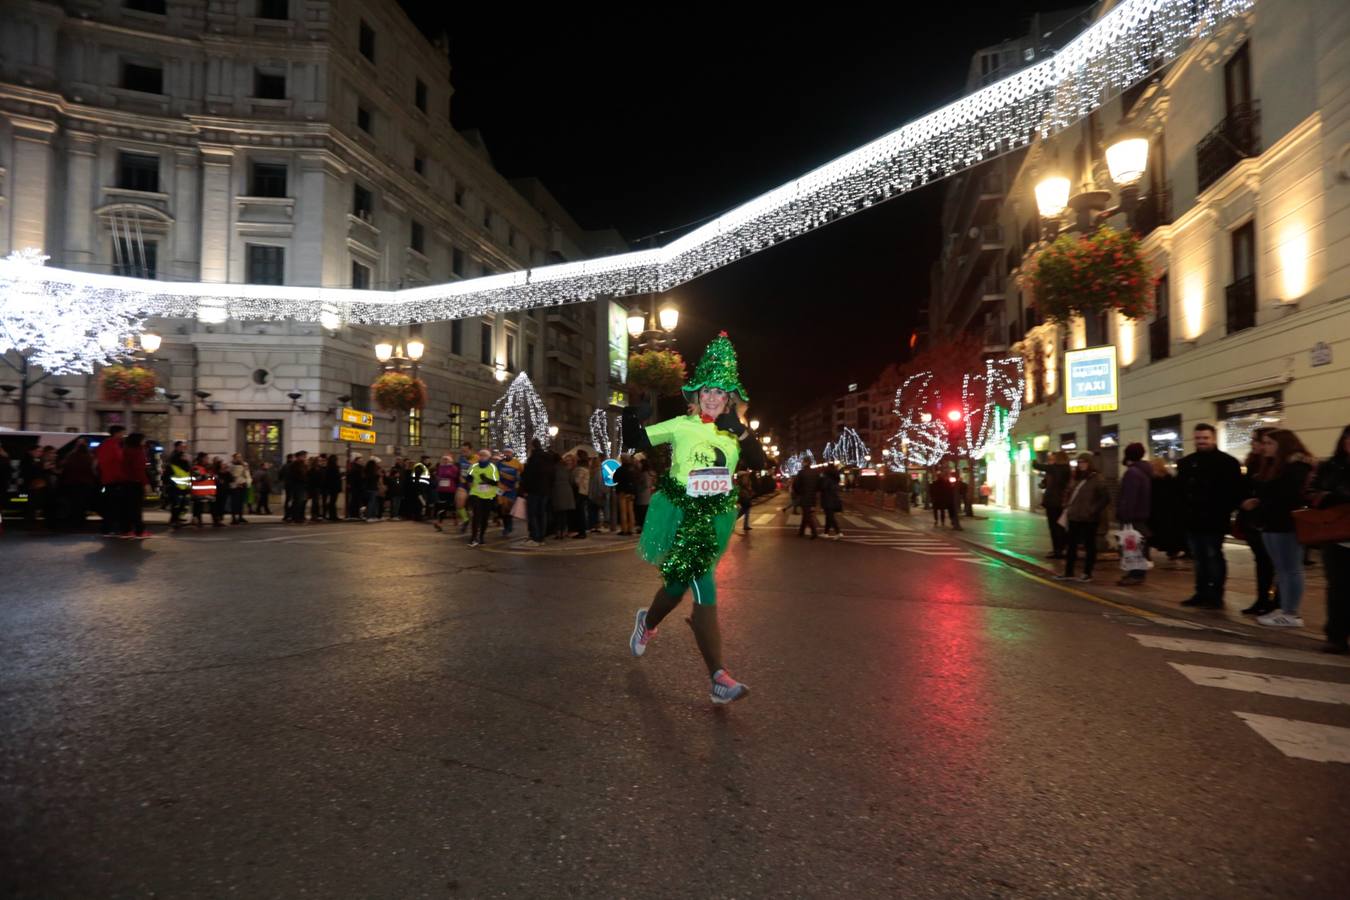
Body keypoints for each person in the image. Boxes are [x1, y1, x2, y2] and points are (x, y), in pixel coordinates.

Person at [623, 333, 765, 704]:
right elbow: (634, 442)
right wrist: (630, 414)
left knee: (679, 584)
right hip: (680, 510)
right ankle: (718, 676)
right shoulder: (681, 425)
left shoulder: (735, 432)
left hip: (715, 514)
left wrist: (744, 434)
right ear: (697, 395)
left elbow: (760, 464)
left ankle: (648, 623)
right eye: (706, 391)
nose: (713, 397)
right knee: (698, 582)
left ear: (730, 398)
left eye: (720, 392)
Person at [1241, 429, 1315, 628]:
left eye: (1269, 443)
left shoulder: (1296, 466)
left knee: (1291, 569)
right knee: (1282, 570)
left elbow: (1287, 497)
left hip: (1285, 524)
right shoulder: (1275, 465)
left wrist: (1262, 502)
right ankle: (1284, 608)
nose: (1264, 447)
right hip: (1271, 523)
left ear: (1282, 445)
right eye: (1263, 443)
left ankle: (1291, 612)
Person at [1176, 423, 1243, 608]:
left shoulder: (1227, 462)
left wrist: (1224, 511)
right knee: (1199, 558)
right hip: (1193, 519)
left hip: (1214, 520)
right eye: (1198, 438)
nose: (1201, 441)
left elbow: (1234, 492)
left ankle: (1215, 594)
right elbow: (1180, 491)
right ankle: (1201, 592)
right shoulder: (1187, 462)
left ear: (1213, 438)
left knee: (1213, 556)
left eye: (1205, 438)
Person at [1309, 425, 1350, 653]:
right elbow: (1311, 492)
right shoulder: (1329, 467)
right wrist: (1330, 497)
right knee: (1338, 588)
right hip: (1336, 536)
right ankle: (1336, 636)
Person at [1237, 427, 1280, 615]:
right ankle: (1262, 599)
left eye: (1258, 440)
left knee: (1274, 564)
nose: (1253, 444)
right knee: (1262, 563)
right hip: (1253, 521)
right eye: (1253, 440)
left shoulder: (1275, 465)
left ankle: (1274, 601)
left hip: (1267, 521)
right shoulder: (1254, 463)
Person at [1056, 453, 1110, 583]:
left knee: (1090, 545)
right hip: (1075, 517)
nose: (1081, 465)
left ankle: (1087, 573)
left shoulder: (1097, 479)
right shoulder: (1077, 478)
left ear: (1089, 463)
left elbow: (1105, 498)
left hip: (1089, 518)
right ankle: (1069, 572)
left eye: (1084, 462)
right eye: (1079, 462)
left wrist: (1093, 510)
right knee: (1071, 545)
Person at [1115, 442, 1152, 585]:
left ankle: (1136, 575)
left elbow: (1129, 497)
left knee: (1133, 546)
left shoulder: (1132, 473)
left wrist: (1124, 515)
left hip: (1132, 516)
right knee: (1135, 545)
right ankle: (1135, 573)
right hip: (1140, 514)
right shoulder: (1144, 471)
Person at [1034, 451, 1072, 558]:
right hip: (1061, 502)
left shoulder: (1055, 468)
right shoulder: (1067, 469)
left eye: (1053, 458)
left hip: (1053, 503)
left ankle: (1057, 551)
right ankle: (1061, 549)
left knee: (1054, 527)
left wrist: (1033, 456)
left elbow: (1037, 466)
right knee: (1061, 527)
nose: (1052, 461)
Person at [1147, 458, 1186, 561]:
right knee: (1168, 532)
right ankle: (1172, 550)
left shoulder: (1152, 480)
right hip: (1168, 511)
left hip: (1157, 510)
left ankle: (1167, 550)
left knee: (1153, 531)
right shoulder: (1170, 478)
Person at [520, 440, 556, 546]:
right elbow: (552, 475)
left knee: (533, 514)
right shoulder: (548, 458)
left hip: (533, 490)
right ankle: (541, 538)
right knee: (542, 513)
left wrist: (525, 489)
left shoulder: (533, 459)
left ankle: (535, 537)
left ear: (532, 447)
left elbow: (527, 476)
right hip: (545, 491)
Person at [95, 425, 127, 536]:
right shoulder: (112, 445)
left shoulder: (107, 445)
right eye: (122, 433)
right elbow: (118, 461)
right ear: (116, 433)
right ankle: (109, 527)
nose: (123, 435)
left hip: (109, 479)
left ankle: (108, 527)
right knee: (113, 505)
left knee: (111, 505)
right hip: (113, 479)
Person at [119, 433, 152, 538]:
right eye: (143, 439)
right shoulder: (138, 452)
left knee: (127, 508)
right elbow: (139, 470)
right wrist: (146, 483)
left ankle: (127, 530)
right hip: (135, 483)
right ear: (138, 440)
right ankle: (140, 531)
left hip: (125, 482)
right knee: (136, 508)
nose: (144, 441)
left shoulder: (125, 450)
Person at [464, 448, 499, 547]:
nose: (482, 457)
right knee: (476, 516)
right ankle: (473, 537)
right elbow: (468, 479)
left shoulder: (492, 467)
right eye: (481, 455)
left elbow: (495, 482)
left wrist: (486, 479)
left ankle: (482, 536)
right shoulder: (474, 466)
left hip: (488, 496)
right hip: (476, 494)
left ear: (488, 457)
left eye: (485, 456)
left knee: (484, 518)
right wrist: (470, 487)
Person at [59, 439, 97, 528]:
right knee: (82, 504)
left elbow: (64, 466)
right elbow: (93, 470)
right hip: (86, 484)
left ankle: (74, 521)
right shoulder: (90, 457)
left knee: (74, 504)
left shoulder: (71, 456)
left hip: (72, 484)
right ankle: (81, 521)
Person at [550, 453, 576, 540]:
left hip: (557, 491)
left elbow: (551, 480)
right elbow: (572, 480)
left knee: (558, 514)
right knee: (564, 514)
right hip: (567, 492)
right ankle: (563, 531)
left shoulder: (553, 469)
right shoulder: (566, 468)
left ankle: (558, 532)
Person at [165, 442, 191, 527]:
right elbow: (169, 473)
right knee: (176, 504)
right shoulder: (174, 459)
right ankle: (174, 520)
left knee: (182, 504)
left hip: (183, 485)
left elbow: (187, 471)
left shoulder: (183, 461)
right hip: (175, 486)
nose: (183, 448)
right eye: (181, 446)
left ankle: (177, 519)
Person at [433, 454, 459, 531]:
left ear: (450, 460)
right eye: (443, 459)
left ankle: (454, 519)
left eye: (446, 459)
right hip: (441, 489)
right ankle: (439, 522)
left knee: (450, 505)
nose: (444, 461)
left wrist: (448, 475)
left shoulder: (453, 468)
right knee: (442, 505)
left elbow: (456, 477)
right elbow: (438, 476)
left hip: (450, 489)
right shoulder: (440, 467)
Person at [497, 449, 520, 537]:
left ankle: (508, 527)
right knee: (501, 509)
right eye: (505, 452)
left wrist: (516, 480)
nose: (507, 454)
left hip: (511, 489)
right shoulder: (499, 463)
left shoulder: (517, 463)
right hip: (500, 489)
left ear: (512, 454)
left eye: (508, 453)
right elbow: (496, 475)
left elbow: (520, 475)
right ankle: (506, 526)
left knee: (508, 509)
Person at [794, 463, 820, 538]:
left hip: (804, 496)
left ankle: (814, 532)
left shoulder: (801, 473)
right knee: (806, 514)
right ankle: (801, 531)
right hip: (813, 496)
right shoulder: (815, 473)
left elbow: (796, 485)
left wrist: (799, 493)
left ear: (804, 463)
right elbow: (819, 485)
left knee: (807, 514)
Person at [571, 449, 591, 539]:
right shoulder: (586, 467)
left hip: (579, 491)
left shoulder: (580, 469)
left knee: (580, 512)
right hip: (584, 491)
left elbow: (577, 481)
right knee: (581, 511)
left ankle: (581, 532)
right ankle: (582, 531)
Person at [189, 452, 213, 528]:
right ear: (202, 458)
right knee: (197, 507)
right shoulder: (196, 467)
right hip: (197, 491)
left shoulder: (206, 467)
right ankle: (196, 520)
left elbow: (211, 478)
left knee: (200, 507)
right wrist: (206, 476)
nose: (208, 460)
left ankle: (197, 520)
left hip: (204, 491)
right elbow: (197, 478)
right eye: (206, 458)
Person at [285, 451, 309, 524]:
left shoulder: (303, 465)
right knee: (297, 502)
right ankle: (295, 517)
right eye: (303, 456)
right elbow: (295, 476)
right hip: (297, 486)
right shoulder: (294, 465)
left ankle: (300, 517)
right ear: (298, 457)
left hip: (302, 486)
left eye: (305, 456)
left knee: (301, 502)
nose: (305, 458)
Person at [820, 464, 843, 539]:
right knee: (828, 516)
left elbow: (823, 487)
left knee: (830, 517)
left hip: (828, 499)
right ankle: (826, 533)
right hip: (834, 499)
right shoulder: (835, 479)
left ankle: (838, 532)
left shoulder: (827, 478)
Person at [228, 452, 251, 524]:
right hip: (235, 486)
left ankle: (240, 517)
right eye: (237, 457)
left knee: (241, 502)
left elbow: (247, 474)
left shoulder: (244, 464)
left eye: (240, 457)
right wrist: (236, 484)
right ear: (234, 458)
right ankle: (234, 517)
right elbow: (232, 476)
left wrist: (247, 483)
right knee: (234, 502)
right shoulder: (231, 465)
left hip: (242, 484)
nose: (239, 458)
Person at [634, 458, 652, 531]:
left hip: (643, 496)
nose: (638, 465)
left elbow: (647, 484)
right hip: (644, 496)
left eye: (640, 463)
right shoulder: (645, 473)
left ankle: (642, 527)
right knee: (642, 512)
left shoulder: (644, 474)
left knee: (642, 512)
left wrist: (639, 487)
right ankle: (642, 527)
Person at [346, 454, 365, 519]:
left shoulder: (360, 468)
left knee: (357, 501)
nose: (361, 461)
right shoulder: (355, 468)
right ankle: (353, 514)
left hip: (359, 487)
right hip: (356, 487)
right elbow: (353, 478)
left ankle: (356, 514)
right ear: (356, 461)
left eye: (361, 460)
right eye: (360, 460)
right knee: (354, 501)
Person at [324, 454, 343, 521]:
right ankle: (333, 516)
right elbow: (336, 477)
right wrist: (341, 475)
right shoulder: (334, 467)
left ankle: (332, 515)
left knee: (332, 501)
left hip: (331, 487)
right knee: (333, 501)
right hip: (334, 487)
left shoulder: (328, 467)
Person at [736, 468, 754, 534]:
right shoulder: (741, 482)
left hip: (746, 498)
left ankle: (746, 525)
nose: (746, 477)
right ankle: (731, 523)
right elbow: (741, 490)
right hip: (744, 498)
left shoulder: (746, 481)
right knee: (742, 512)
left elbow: (749, 487)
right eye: (745, 476)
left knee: (747, 512)